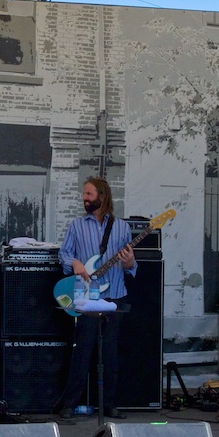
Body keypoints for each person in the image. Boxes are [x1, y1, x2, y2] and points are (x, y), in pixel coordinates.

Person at [56, 176, 136, 420]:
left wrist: (130, 263)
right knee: (83, 351)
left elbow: (130, 264)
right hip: (86, 296)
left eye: (89, 194)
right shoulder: (77, 226)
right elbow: (64, 254)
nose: (84, 198)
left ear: (102, 196)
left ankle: (109, 404)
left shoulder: (122, 227)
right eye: (84, 194)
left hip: (114, 295)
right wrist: (75, 263)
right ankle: (70, 403)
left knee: (111, 353)